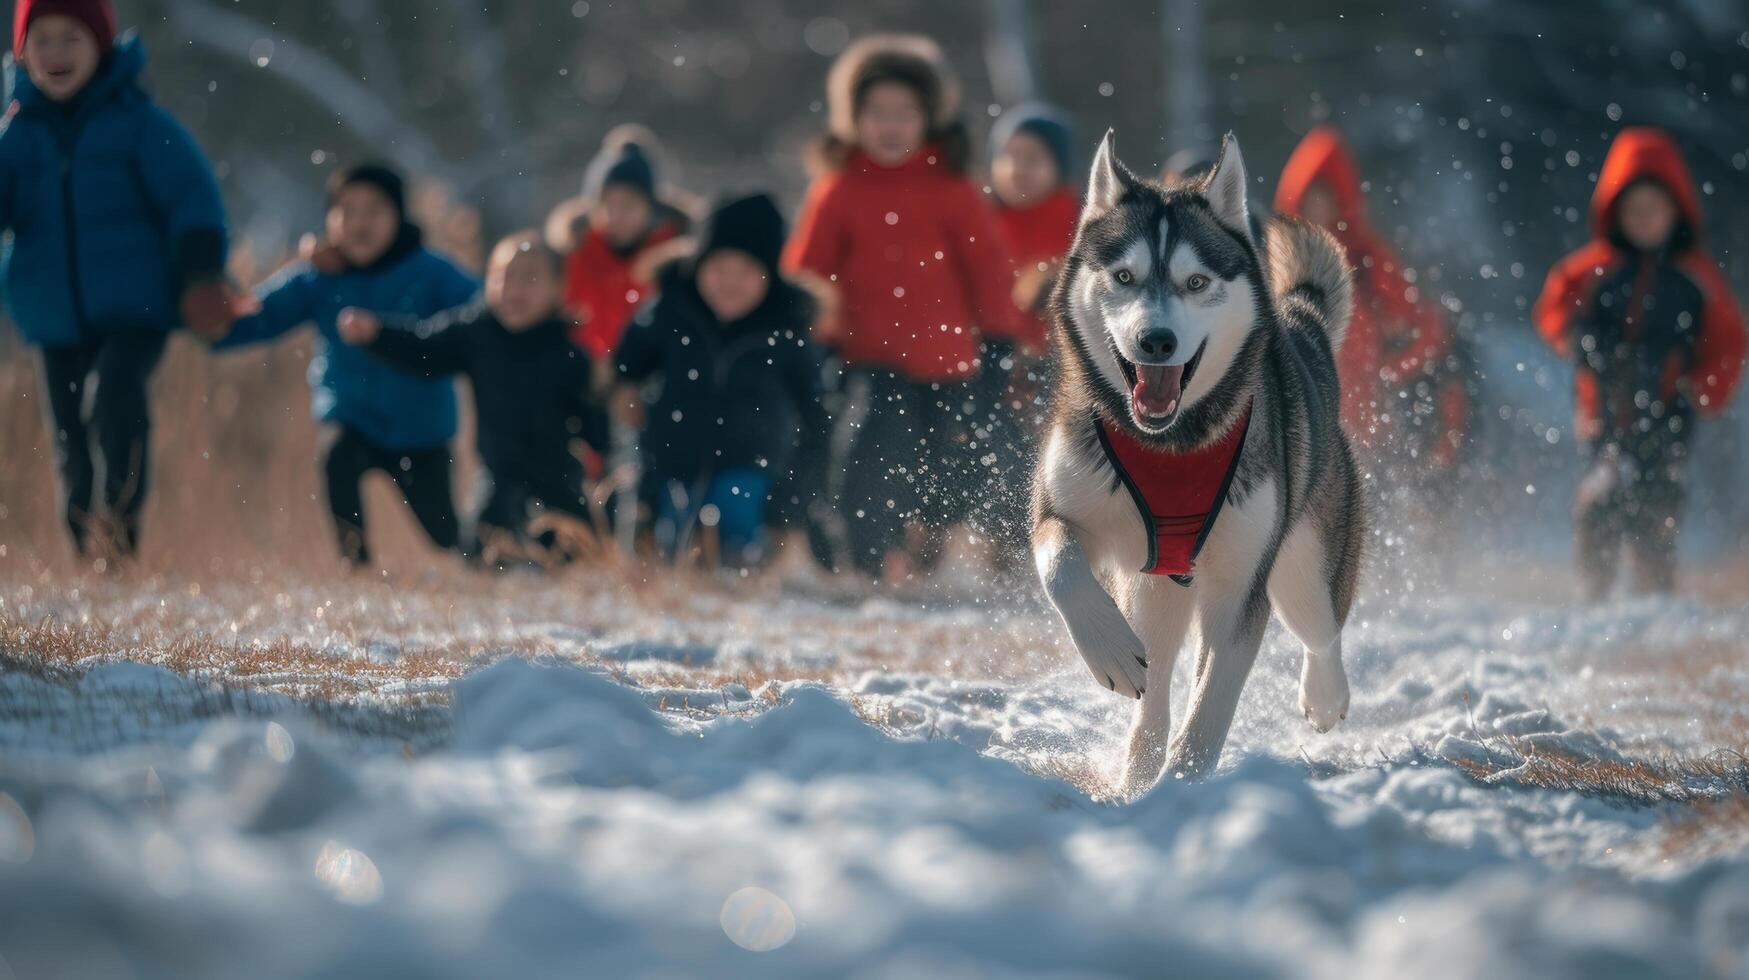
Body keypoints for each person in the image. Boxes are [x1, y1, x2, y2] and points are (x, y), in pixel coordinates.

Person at [1, 0, 240, 565]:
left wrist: (201, 273)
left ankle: (121, 532)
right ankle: (90, 551)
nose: (56, 53)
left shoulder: (138, 123)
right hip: (52, 317)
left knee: (111, 399)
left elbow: (192, 196)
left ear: (101, 47)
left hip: (137, 310)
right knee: (69, 442)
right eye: (43, 40)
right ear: (22, 51)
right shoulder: (17, 134)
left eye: (71, 39)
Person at [784, 34, 1022, 582]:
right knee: (872, 449)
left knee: (948, 463)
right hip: (867, 359)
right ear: (853, 118)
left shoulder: (952, 189)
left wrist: (1000, 342)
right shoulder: (839, 188)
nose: (890, 127)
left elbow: (987, 270)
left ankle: (937, 553)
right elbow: (809, 273)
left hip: (948, 362)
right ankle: (865, 560)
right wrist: (812, 337)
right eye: (876, 113)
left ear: (929, 118)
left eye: (905, 113)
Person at [212, 163, 478, 567]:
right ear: (330, 221)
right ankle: (355, 566)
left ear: (399, 217)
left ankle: (488, 563)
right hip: (351, 414)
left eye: (374, 210)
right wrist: (202, 307)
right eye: (346, 211)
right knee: (337, 457)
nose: (359, 223)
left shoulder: (430, 271)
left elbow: (484, 314)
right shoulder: (318, 278)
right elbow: (251, 318)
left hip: (422, 430)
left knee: (445, 535)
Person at [1533, 127, 1745, 599]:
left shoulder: (1697, 278)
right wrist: (1575, 337)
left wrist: (1703, 389)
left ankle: (1654, 591)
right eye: (1634, 210)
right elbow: (1552, 306)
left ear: (1677, 212)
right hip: (1600, 414)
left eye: (1655, 209)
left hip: (1669, 415)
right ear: (1615, 213)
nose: (1645, 220)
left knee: (1659, 502)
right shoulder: (1592, 269)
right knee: (1599, 501)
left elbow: (1729, 343)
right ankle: (1596, 588)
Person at [336, 233, 610, 568]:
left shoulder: (569, 353)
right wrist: (377, 334)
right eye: (503, 276)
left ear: (558, 290)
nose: (515, 289)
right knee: (477, 552)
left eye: (531, 277)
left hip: (556, 477)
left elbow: (595, 423)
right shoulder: (477, 332)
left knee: (580, 554)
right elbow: (426, 347)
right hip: (498, 474)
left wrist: (605, 439)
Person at [614, 193, 828, 569]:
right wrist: (624, 388)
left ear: (769, 277)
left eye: (746, 272)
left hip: (751, 461)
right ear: (697, 266)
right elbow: (630, 360)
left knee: (736, 517)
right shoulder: (671, 310)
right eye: (718, 269)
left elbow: (814, 405)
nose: (730, 283)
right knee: (670, 530)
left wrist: (794, 495)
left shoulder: (786, 328)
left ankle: (741, 573)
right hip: (673, 454)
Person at [1275, 126, 1468, 478]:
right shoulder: (1279, 261)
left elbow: (1428, 328)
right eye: (1310, 196)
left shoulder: (1367, 261)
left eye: (1326, 196)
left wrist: (1391, 371)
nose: (1318, 207)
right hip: (1301, 432)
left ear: (1341, 199)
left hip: (1367, 434)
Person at [983, 101, 1079, 569]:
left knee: (1039, 445)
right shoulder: (980, 217)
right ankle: (996, 538)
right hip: (992, 351)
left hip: (1053, 357)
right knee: (990, 444)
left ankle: (1037, 534)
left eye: (1034, 160)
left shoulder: (1078, 218)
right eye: (1010, 157)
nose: (1018, 170)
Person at [552, 126, 692, 360]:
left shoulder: (674, 261)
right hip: (584, 377)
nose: (615, 216)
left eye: (628, 205)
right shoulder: (572, 255)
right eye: (607, 205)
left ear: (650, 208)